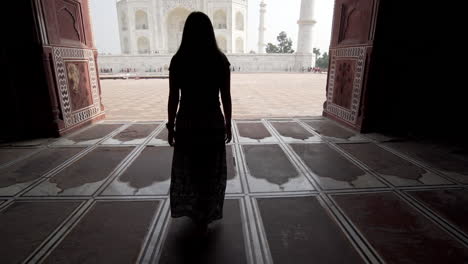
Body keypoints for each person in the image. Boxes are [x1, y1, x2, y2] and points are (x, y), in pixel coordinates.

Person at [166, 11, 232, 233]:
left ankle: (195, 211)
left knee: (192, 168)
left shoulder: (179, 60)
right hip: (212, 121)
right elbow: (226, 96)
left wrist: (170, 126)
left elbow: (173, 97)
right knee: (208, 169)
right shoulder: (219, 60)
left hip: (187, 122)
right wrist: (229, 123)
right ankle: (205, 210)